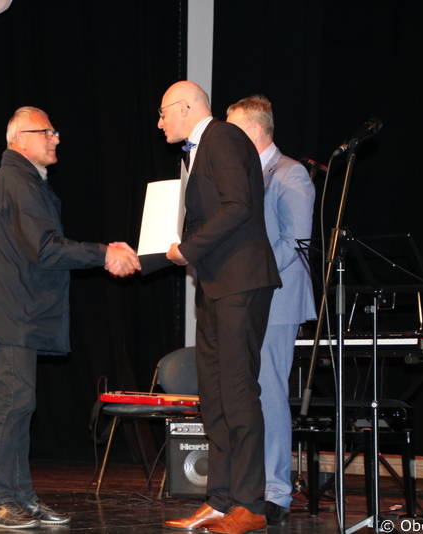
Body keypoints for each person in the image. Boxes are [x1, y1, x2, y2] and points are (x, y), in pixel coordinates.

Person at [0, 106, 140, 530]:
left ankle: (20, 497)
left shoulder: (25, 182)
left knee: (19, 404)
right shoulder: (16, 182)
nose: (56, 138)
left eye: (55, 132)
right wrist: (104, 253)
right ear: (20, 138)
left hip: (14, 313)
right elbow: (44, 249)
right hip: (9, 314)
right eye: (47, 132)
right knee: (11, 403)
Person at [160, 81, 281, 534]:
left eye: (163, 113)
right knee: (213, 396)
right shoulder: (199, 149)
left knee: (236, 392)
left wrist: (188, 249)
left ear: (186, 108)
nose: (160, 122)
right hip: (215, 285)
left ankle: (250, 505)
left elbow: (238, 206)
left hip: (239, 283)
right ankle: (221, 500)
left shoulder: (224, 136)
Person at [227, 95, 317, 525]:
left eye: (233, 130)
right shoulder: (248, 175)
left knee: (269, 391)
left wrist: (250, 275)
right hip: (250, 296)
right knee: (250, 392)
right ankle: (249, 484)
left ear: (254, 130)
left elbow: (296, 242)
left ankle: (276, 489)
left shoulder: (289, 173)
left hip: (277, 299)